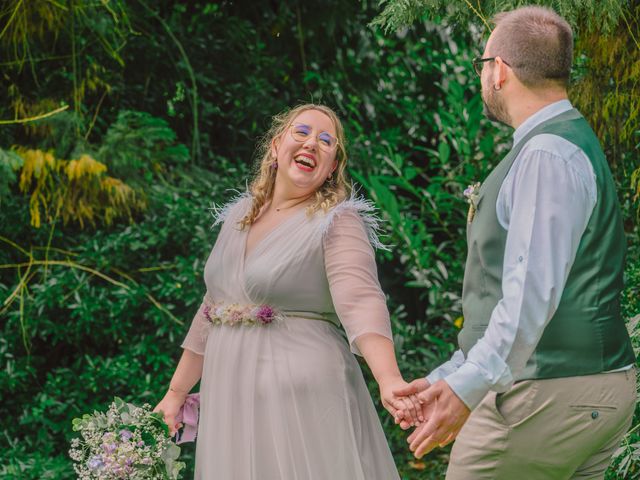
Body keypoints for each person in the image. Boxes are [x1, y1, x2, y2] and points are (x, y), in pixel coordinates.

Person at [394, 5, 637, 479]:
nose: (483, 76)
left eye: (483, 65)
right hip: (589, 390)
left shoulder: (546, 154)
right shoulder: (567, 143)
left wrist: (467, 390)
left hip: (546, 392)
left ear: (500, 71)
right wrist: (450, 377)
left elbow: (529, 296)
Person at [153, 103, 419, 479]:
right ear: (276, 146)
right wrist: (176, 393)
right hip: (233, 397)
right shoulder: (238, 216)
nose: (313, 143)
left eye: (326, 141)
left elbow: (361, 301)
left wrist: (389, 379)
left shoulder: (337, 221)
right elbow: (212, 308)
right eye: (302, 132)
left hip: (302, 399)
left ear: (332, 167)